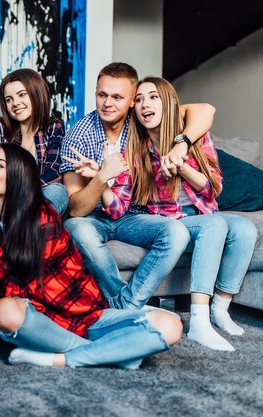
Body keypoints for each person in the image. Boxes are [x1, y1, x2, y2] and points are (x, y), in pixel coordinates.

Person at [0, 143, 182, 368]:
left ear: (19, 176)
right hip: (44, 325)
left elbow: (22, 289)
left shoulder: (40, 218)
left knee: (170, 325)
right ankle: (112, 353)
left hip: (88, 318)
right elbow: (11, 298)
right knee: (4, 311)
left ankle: (62, 359)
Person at [101, 77, 257, 351]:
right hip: (170, 221)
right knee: (214, 225)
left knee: (246, 229)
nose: (144, 104)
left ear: (170, 104)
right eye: (138, 100)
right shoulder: (136, 149)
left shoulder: (194, 138)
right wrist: (104, 178)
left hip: (201, 212)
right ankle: (198, 321)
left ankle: (219, 309)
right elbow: (126, 204)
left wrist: (181, 164)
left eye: (152, 97)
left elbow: (214, 188)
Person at [59, 62, 217, 309]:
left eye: (117, 97)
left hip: (133, 215)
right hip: (93, 217)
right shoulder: (78, 136)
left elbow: (205, 110)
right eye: (102, 95)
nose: (107, 103)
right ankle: (129, 304)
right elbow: (76, 209)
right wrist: (101, 177)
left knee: (176, 232)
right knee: (76, 229)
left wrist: (181, 145)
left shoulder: (143, 120)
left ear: (133, 100)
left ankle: (125, 306)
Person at [0, 68, 67, 214]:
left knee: (57, 192)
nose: (15, 103)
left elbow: (53, 172)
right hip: (5, 199)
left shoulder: (53, 128)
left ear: (36, 93)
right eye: (9, 99)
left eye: (22, 95)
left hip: (39, 198)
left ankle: (25, 224)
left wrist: (24, 194)